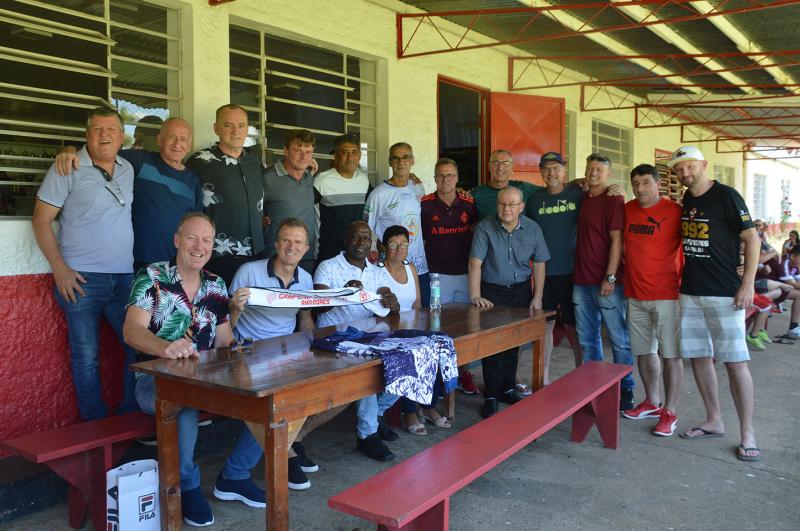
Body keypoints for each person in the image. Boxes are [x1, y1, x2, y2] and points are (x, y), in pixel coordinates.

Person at [123, 213, 265, 527]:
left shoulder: (216, 285)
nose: (199, 246)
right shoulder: (153, 276)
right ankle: (187, 486)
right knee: (182, 404)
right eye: (192, 238)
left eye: (207, 240)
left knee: (270, 395)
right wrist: (165, 348)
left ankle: (235, 475)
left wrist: (236, 317)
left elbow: (224, 343)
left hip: (206, 380)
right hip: (154, 381)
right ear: (177, 240)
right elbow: (131, 330)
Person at [32, 106, 137, 421]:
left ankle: (129, 416)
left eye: (111, 130)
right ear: (86, 135)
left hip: (123, 278)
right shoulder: (68, 167)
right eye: (97, 130)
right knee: (86, 357)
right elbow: (40, 220)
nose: (104, 135)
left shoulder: (128, 168)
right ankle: (95, 427)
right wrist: (59, 269)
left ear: (122, 137)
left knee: (136, 346)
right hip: (81, 279)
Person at [669, 145, 760, 462]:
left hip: (725, 294)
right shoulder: (687, 199)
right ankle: (714, 420)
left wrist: (747, 282)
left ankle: (747, 432)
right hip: (691, 291)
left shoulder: (726, 195)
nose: (685, 173)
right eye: (679, 169)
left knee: (735, 363)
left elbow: (752, 238)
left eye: (690, 167)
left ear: (704, 165)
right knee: (699, 358)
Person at [228, 217, 330, 492]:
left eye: (297, 242)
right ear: (276, 244)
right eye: (286, 240)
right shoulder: (249, 272)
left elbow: (305, 321)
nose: (291, 246)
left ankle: (288, 444)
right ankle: (237, 472)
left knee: (325, 388)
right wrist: (234, 309)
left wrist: (314, 355)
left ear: (306, 248)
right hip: (247, 352)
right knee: (273, 405)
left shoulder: (306, 278)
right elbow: (223, 326)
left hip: (286, 352)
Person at [54, 117, 203, 270]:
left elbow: (196, 226)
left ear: (189, 144)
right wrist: (70, 150)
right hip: (139, 262)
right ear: (160, 140)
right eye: (172, 137)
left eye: (183, 139)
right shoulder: (140, 160)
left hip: (177, 265)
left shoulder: (193, 181)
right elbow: (100, 152)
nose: (177, 144)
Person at [313, 221, 402, 461]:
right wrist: (344, 292)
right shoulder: (328, 267)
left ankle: (377, 414)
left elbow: (389, 305)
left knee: (409, 357)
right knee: (366, 370)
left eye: (366, 238)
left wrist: (392, 303)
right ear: (346, 239)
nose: (362, 243)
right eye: (356, 237)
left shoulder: (376, 271)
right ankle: (367, 435)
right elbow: (318, 307)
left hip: (368, 336)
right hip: (333, 339)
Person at [469, 186, 550, 418]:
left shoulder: (533, 228)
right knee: (492, 344)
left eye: (512, 204)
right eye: (502, 204)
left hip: (521, 292)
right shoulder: (485, 227)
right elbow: (475, 263)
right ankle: (492, 395)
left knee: (514, 343)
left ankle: (507, 389)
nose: (506, 208)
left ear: (521, 207)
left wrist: (538, 296)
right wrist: (475, 296)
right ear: (497, 205)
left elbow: (541, 263)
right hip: (491, 293)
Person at [620, 164, 684, 437]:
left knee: (670, 355)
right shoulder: (627, 210)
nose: (640, 188)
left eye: (646, 182)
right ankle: (651, 401)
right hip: (635, 294)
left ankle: (670, 410)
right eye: (636, 183)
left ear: (658, 184)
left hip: (668, 295)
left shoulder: (675, 212)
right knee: (644, 351)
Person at [572, 153, 635, 411]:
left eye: (599, 169)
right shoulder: (583, 195)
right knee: (588, 339)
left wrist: (610, 276)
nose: (593, 173)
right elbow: (571, 183)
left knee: (619, 338)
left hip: (607, 281)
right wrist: (581, 181)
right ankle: (593, 388)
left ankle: (626, 388)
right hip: (581, 279)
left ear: (609, 174)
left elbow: (617, 240)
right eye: (590, 169)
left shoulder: (614, 198)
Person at [187, 104, 266, 284]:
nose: (235, 131)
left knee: (249, 309)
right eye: (228, 125)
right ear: (216, 128)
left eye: (241, 125)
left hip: (256, 255)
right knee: (218, 309)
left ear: (247, 129)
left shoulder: (254, 163)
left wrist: (306, 168)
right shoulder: (200, 162)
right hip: (217, 256)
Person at [420, 157, 479, 394]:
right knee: (437, 328)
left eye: (450, 175)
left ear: (457, 178)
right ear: (434, 178)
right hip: (436, 275)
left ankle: (463, 373)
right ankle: (438, 377)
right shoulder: (423, 204)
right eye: (441, 175)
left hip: (465, 274)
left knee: (465, 328)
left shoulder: (468, 202)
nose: (446, 180)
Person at [526, 152, 583, 385]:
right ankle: (544, 377)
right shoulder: (534, 200)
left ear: (564, 171)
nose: (552, 173)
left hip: (571, 273)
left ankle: (582, 375)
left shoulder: (578, 194)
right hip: (543, 275)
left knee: (573, 326)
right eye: (547, 168)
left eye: (556, 168)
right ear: (541, 172)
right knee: (545, 325)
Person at [364, 142, 430, 304]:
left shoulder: (418, 188)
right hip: (391, 264)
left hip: (419, 263)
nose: (401, 162)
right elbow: (367, 229)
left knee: (423, 310)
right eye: (396, 158)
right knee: (392, 311)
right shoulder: (378, 194)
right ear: (390, 162)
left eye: (405, 157)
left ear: (413, 160)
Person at [262, 129, 318, 274]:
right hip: (276, 258)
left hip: (306, 257)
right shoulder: (267, 178)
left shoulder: (309, 178)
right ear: (286, 151)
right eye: (297, 150)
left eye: (308, 152)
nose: (303, 156)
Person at [315, 133, 372, 262]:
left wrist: (408, 178)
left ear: (360, 156)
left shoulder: (363, 181)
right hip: (329, 252)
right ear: (335, 155)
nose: (350, 157)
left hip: (357, 251)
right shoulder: (322, 181)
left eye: (354, 152)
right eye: (345, 152)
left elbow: (378, 201)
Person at [470, 149, 543, 221]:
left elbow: (549, 190)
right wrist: (458, 190)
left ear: (512, 168)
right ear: (489, 167)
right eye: (496, 163)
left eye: (506, 163)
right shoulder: (476, 194)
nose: (500, 167)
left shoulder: (523, 188)